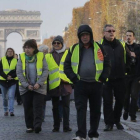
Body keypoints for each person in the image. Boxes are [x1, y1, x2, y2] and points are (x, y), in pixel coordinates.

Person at [64, 25, 110, 140]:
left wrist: (103, 78)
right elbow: (66, 66)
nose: (84, 37)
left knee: (96, 111)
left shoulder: (99, 47)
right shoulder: (73, 49)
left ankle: (93, 134)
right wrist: (74, 79)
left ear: (91, 35)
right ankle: (81, 135)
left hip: (96, 84)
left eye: (87, 35)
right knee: (81, 110)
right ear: (79, 37)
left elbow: (107, 64)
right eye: (82, 35)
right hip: (81, 84)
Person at [100, 24, 131, 131]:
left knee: (120, 101)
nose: (111, 32)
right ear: (104, 33)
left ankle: (117, 120)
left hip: (121, 77)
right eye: (109, 31)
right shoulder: (99, 45)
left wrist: (127, 69)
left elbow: (128, 58)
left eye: (113, 30)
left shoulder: (121, 44)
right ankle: (109, 123)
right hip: (106, 78)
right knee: (107, 101)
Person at [16, 39, 48, 133]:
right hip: (25, 88)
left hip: (39, 87)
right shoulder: (21, 57)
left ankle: (37, 125)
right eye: (25, 47)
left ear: (34, 48)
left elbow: (46, 71)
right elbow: (19, 73)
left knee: (38, 107)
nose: (27, 49)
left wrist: (39, 83)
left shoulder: (41, 56)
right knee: (27, 107)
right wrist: (26, 85)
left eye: (29, 47)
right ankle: (30, 126)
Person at [45, 35, 72, 132]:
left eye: (58, 43)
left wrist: (71, 80)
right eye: (54, 43)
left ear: (62, 44)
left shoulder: (68, 54)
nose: (56, 44)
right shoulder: (47, 56)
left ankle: (66, 126)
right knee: (55, 107)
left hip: (66, 83)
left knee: (66, 106)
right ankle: (56, 126)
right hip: (54, 84)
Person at [123, 30, 140, 122]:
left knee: (134, 96)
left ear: (133, 37)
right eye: (127, 35)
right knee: (126, 96)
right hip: (126, 76)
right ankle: (126, 110)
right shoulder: (122, 48)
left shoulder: (138, 48)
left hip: (136, 76)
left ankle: (133, 115)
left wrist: (136, 56)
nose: (128, 37)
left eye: (130, 35)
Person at [0, 48, 18, 116]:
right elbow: (0, 70)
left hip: (12, 81)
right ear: (6, 52)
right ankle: (5, 110)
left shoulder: (16, 60)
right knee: (4, 97)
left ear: (13, 53)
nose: (10, 53)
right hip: (3, 81)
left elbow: (17, 70)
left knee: (11, 96)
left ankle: (11, 111)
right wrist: (6, 77)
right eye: (8, 51)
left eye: (11, 51)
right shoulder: (2, 59)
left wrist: (11, 76)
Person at [38, 45, 49, 122]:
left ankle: (42, 116)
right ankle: (39, 116)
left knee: (43, 101)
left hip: (46, 83)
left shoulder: (49, 58)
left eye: (46, 52)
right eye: (44, 52)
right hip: (38, 83)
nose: (45, 53)